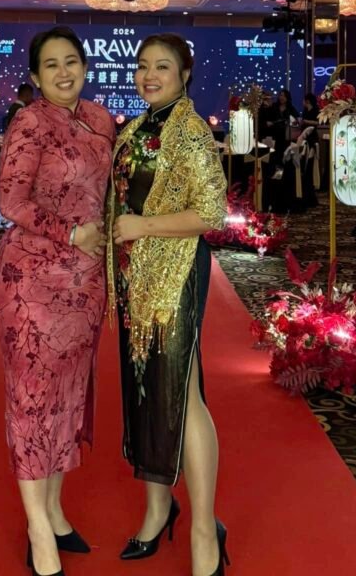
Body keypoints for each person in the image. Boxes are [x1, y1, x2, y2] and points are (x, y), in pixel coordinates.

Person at [0, 26, 114, 576]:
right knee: (32, 400)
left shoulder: (100, 119)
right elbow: (11, 201)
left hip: (85, 283)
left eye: (71, 61)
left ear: (85, 66)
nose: (64, 72)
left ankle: (56, 511)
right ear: (35, 75)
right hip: (33, 284)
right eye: (51, 65)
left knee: (68, 397)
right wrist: (69, 233)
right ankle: (38, 529)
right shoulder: (30, 121)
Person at [110, 34, 228, 576]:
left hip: (176, 273)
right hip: (133, 276)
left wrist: (144, 226)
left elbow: (211, 213)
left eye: (162, 66)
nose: (149, 75)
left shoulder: (192, 130)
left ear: (184, 74)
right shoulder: (136, 128)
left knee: (183, 392)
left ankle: (204, 528)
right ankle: (159, 509)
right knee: (144, 390)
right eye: (142, 66)